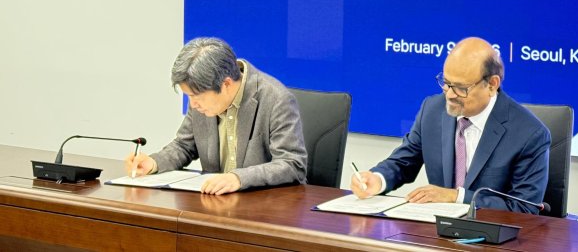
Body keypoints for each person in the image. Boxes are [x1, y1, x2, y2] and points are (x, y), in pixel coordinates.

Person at [351, 37, 550, 213]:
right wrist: (377, 179)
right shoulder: (432, 109)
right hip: (435, 234)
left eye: (461, 88)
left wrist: (456, 196)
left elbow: (524, 208)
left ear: (492, 85)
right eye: (446, 83)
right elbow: (404, 162)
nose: (450, 94)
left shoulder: (529, 134)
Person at [125, 37, 307, 194]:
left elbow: (292, 164)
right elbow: (184, 146)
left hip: (264, 207)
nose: (193, 104)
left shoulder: (276, 100)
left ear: (226, 84)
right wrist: (154, 162)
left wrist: (238, 178)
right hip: (216, 204)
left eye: (196, 96)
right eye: (189, 96)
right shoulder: (200, 99)